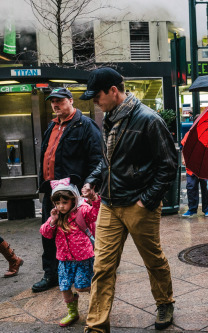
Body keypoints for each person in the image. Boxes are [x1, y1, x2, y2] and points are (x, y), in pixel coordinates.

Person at [80, 67, 178, 332]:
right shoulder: (109, 118)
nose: (95, 101)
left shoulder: (148, 119)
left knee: (153, 259)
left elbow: (168, 165)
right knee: (102, 268)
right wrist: (92, 180)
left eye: (97, 96)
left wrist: (147, 200)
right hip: (110, 204)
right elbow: (108, 162)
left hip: (138, 204)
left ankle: (165, 302)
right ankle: (97, 326)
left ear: (113, 91)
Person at [34, 88, 102, 293]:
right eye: (52, 102)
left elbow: (97, 158)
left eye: (60, 101)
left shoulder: (85, 125)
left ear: (70, 101)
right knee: (51, 232)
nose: (55, 105)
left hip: (74, 193)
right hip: (52, 191)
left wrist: (89, 185)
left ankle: (89, 270)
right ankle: (52, 274)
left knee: (81, 233)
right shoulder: (51, 126)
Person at [40, 178, 100, 327]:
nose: (61, 206)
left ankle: (100, 297)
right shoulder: (56, 215)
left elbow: (95, 214)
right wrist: (52, 220)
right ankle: (73, 313)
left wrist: (95, 200)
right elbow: (45, 233)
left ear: (73, 199)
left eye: (64, 202)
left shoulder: (82, 210)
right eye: (58, 203)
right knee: (65, 287)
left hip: (83, 258)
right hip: (64, 260)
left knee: (82, 286)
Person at [182, 115, 208, 218]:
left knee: (206, 188)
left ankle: (206, 209)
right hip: (191, 166)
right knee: (191, 187)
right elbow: (184, 147)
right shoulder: (189, 134)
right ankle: (192, 209)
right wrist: (183, 158)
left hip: (204, 166)